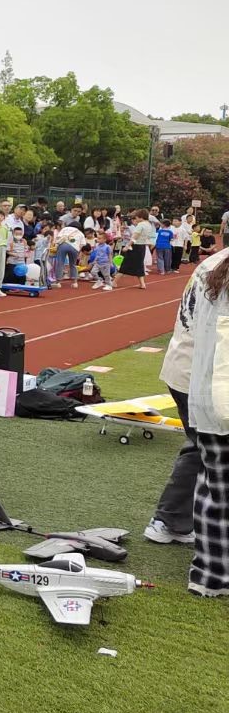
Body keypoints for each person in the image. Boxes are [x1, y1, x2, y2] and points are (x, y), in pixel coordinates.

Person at [145, 245, 229, 551]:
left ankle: (173, 520)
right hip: (202, 375)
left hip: (189, 369)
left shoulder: (216, 261)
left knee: (201, 448)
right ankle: (171, 520)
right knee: (207, 451)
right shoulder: (221, 266)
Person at [186, 249, 229, 597]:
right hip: (220, 394)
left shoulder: (211, 265)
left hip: (206, 394)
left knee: (213, 488)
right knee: (217, 490)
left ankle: (209, 575)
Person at [117, 209, 153, 289]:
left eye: (136, 217)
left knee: (125, 264)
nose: (136, 219)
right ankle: (142, 284)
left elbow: (134, 237)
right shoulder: (149, 225)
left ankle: (114, 282)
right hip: (142, 246)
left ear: (140, 217)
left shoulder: (140, 225)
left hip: (135, 246)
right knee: (139, 265)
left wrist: (127, 246)